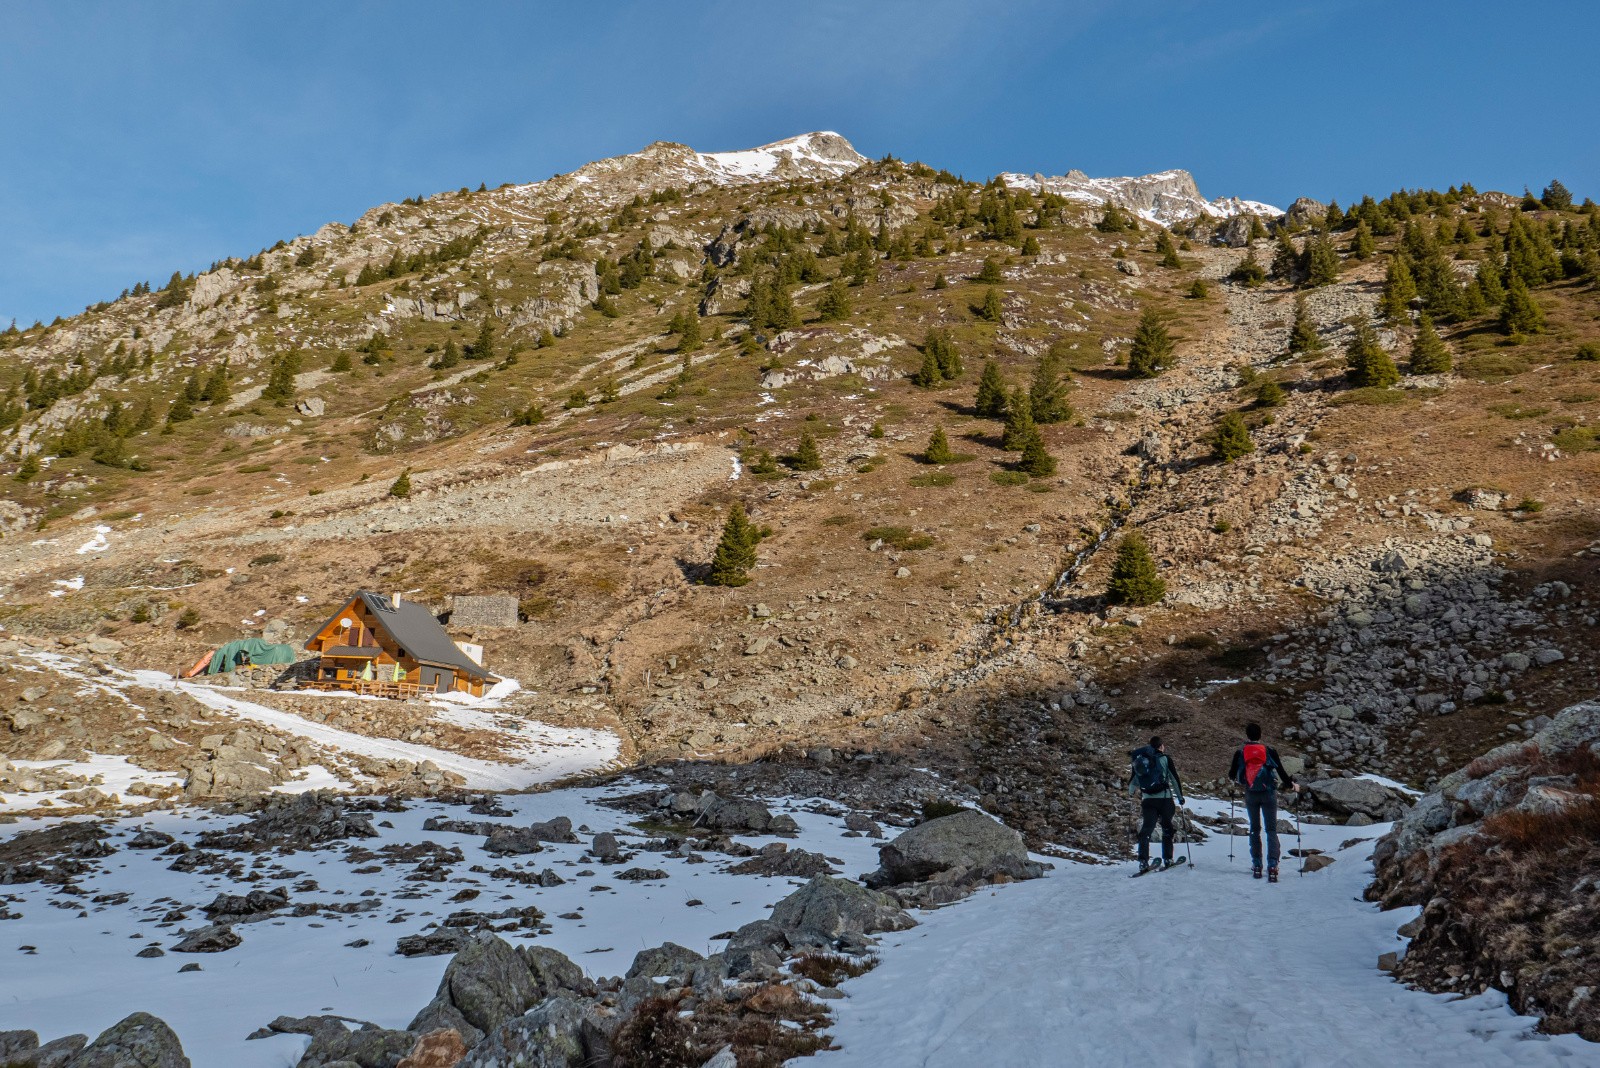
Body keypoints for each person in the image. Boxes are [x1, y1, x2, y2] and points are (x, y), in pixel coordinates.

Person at [1229, 722, 1300, 882]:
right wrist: (1292, 785)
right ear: (1260, 735)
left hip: (1251, 794)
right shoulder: (1269, 751)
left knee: (1254, 829)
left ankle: (1257, 864)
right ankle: (1273, 865)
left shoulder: (1240, 752)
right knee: (1271, 829)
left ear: (1247, 735)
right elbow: (1281, 772)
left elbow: (1232, 775)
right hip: (1269, 793)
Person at [1128, 735, 1185, 872]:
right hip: (1165, 799)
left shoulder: (1141, 761)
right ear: (1161, 746)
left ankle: (1143, 862)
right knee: (1167, 828)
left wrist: (1131, 794)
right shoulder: (1165, 759)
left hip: (1148, 801)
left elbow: (1133, 782)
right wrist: (1180, 797)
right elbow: (1174, 779)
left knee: (1146, 830)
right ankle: (1168, 859)